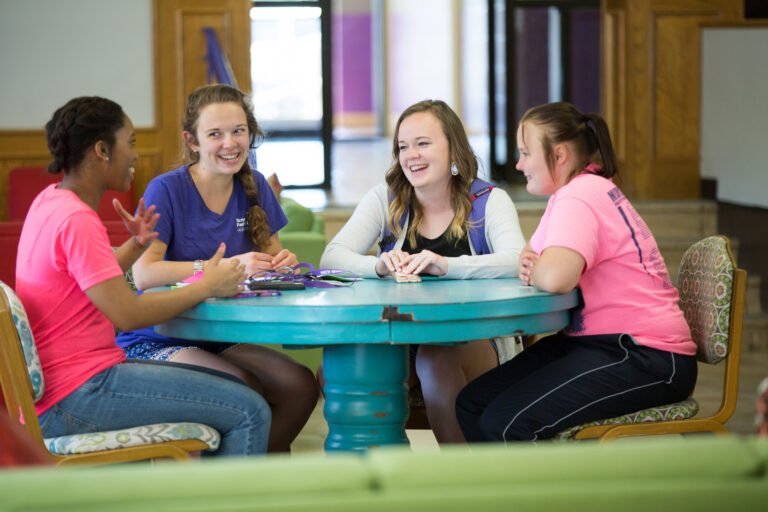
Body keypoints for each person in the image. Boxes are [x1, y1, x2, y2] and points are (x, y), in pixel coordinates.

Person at [16, 96, 271, 456]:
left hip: (65, 386)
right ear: (102, 150)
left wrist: (135, 246)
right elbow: (128, 315)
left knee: (242, 399)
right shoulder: (76, 220)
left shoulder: (50, 201)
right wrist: (207, 284)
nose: (136, 154)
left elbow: (90, 278)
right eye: (131, 142)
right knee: (249, 410)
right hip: (79, 392)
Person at [456, 101, 698, 443]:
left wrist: (541, 266)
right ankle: (500, 494)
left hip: (646, 355)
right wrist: (539, 264)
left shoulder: (581, 195)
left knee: (505, 423)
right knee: (473, 403)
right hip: (599, 345)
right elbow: (530, 257)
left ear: (559, 155)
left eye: (526, 153)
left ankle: (541, 497)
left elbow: (554, 276)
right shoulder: (572, 194)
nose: (518, 164)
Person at [115, 84, 318, 453]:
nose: (230, 143)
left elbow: (272, 262)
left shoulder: (255, 185)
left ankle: (252, 482)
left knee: (300, 385)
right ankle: (224, 489)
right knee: (243, 387)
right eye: (215, 134)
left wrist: (282, 264)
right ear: (191, 141)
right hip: (157, 337)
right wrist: (223, 267)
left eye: (239, 131)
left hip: (218, 336)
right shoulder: (166, 189)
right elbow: (145, 275)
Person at [320, 99, 526, 443]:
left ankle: (457, 483)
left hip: (475, 334)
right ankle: (389, 475)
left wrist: (445, 265)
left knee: (435, 358)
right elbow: (332, 256)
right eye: (403, 146)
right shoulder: (386, 198)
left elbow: (517, 258)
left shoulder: (491, 199)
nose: (411, 155)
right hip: (402, 335)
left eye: (423, 143)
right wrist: (380, 265)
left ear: (453, 148)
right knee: (337, 373)